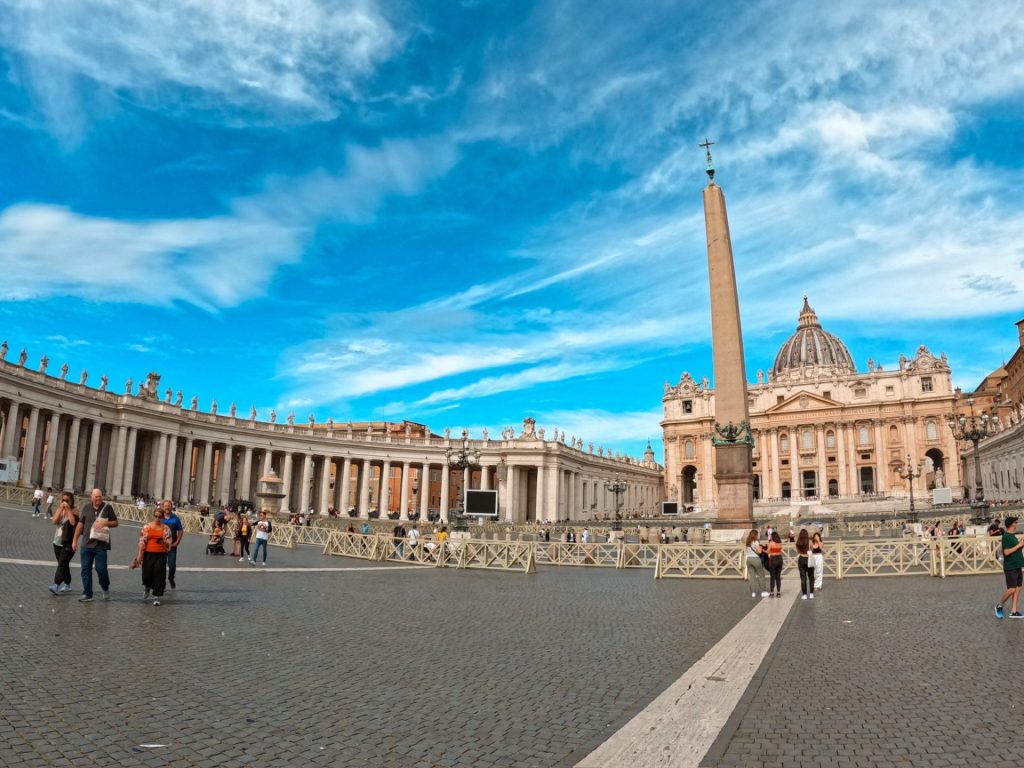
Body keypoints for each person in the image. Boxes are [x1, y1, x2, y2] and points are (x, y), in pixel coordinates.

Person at [72, 488, 119, 602]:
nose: (98, 498)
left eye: (100, 496)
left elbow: (116, 523)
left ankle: (105, 587)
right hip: (86, 544)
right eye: (96, 496)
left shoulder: (107, 507)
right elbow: (80, 524)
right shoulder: (86, 508)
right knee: (85, 569)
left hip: (101, 545)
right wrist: (75, 539)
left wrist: (106, 522)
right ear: (91, 497)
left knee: (101, 569)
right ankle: (87, 593)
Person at [131, 507, 172, 606]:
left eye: (159, 517)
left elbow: (169, 543)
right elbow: (141, 541)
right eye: (156, 516)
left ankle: (157, 596)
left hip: (161, 554)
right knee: (147, 574)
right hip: (148, 553)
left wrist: (164, 543)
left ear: (162, 517)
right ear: (153, 516)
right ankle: (147, 587)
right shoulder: (147, 527)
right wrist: (139, 555)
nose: (157, 518)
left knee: (159, 574)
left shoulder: (166, 528)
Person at [48, 492, 78, 595]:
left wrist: (68, 509)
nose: (65, 502)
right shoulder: (59, 509)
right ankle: (68, 584)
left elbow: (73, 522)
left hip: (68, 542)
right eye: (63, 500)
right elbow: (54, 521)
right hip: (57, 541)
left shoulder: (75, 511)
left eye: (67, 500)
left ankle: (56, 585)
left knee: (62, 564)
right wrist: (61, 509)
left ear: (71, 501)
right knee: (63, 564)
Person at [996, 517, 1024, 619]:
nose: (1017, 524)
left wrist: (1021, 545)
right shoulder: (1006, 536)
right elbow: (1006, 552)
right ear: (1012, 524)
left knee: (1018, 588)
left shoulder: (1013, 536)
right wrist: (1019, 545)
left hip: (1018, 565)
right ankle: (999, 605)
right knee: (1012, 589)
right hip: (1010, 566)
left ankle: (1014, 611)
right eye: (1016, 522)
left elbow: (1015, 550)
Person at [161, 500, 184, 589]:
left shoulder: (175, 518)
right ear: (163, 507)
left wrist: (177, 542)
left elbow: (181, 531)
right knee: (161, 566)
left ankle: (171, 578)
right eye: (165, 506)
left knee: (172, 565)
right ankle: (162, 583)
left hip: (172, 546)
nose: (167, 507)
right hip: (161, 546)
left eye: (169, 506)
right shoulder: (159, 517)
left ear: (171, 507)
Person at [745, 529, 769, 598]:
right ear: (755, 535)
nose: (758, 535)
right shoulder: (755, 542)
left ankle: (753, 592)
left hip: (748, 559)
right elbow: (759, 552)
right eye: (757, 534)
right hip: (755, 559)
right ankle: (763, 591)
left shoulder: (748, 542)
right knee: (761, 575)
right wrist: (761, 548)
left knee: (752, 576)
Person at [796, 528, 814, 600]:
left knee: (803, 577)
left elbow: (798, 551)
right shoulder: (809, 541)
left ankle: (804, 595)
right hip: (809, 559)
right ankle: (811, 594)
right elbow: (812, 548)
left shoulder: (798, 542)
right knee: (811, 577)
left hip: (801, 559)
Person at [767, 531, 784, 598]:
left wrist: (764, 549)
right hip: (779, 559)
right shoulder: (780, 543)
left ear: (772, 536)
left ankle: (771, 593)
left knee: (772, 577)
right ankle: (778, 593)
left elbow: (768, 551)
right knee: (778, 576)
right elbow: (780, 550)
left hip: (773, 560)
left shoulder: (771, 543)